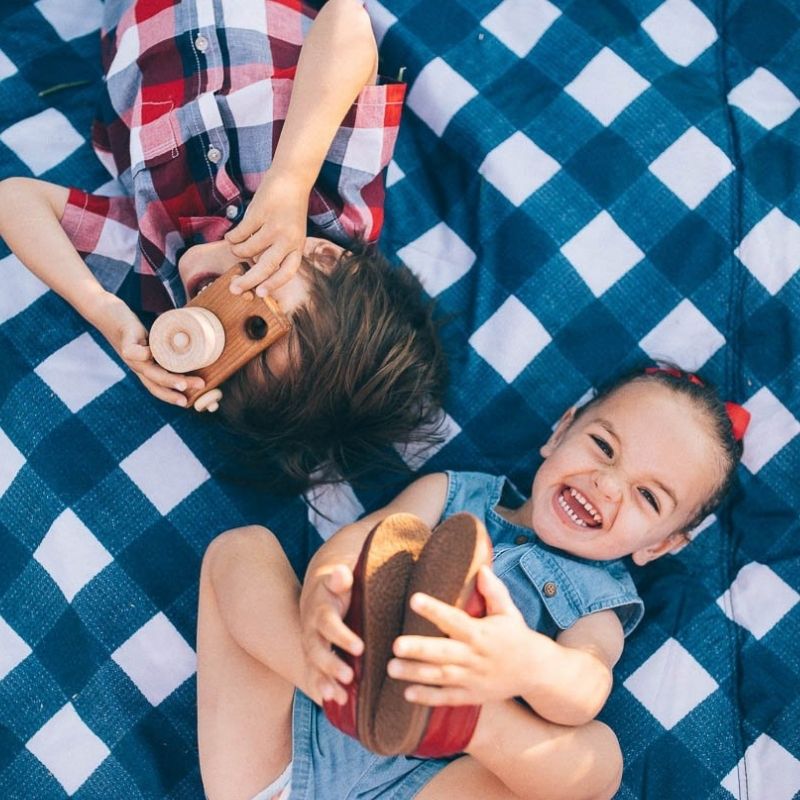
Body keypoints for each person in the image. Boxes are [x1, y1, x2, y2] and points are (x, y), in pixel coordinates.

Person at [196, 366, 749, 800]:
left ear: (660, 544)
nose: (607, 483)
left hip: (416, 786)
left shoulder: (598, 606)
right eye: (604, 447)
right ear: (560, 432)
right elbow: (363, 539)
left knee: (598, 763)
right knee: (239, 550)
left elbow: (585, 687)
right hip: (281, 749)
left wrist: (521, 663)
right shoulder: (456, 494)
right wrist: (324, 591)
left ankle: (452, 716)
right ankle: (357, 689)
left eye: (648, 497)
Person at [0, 0, 446, 489]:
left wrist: (103, 309)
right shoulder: (331, 203)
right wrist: (290, 179)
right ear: (326, 259)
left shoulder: (159, 266)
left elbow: (15, 201)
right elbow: (347, 22)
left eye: (225, 359)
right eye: (256, 324)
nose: (215, 314)